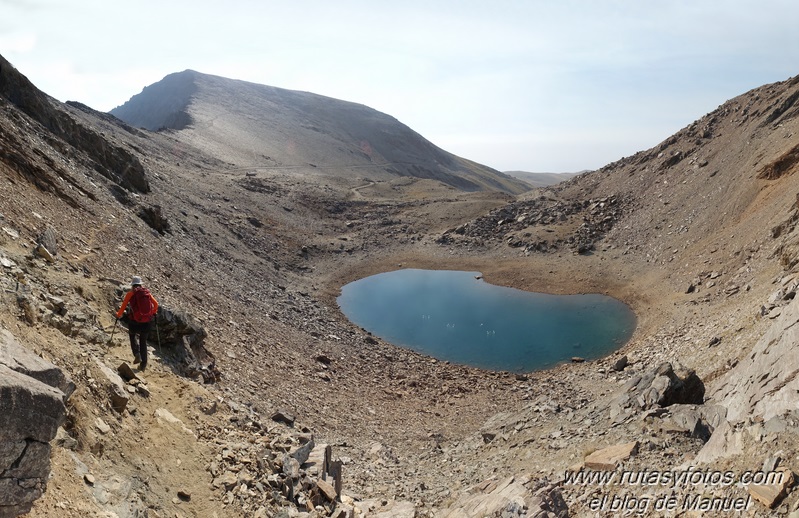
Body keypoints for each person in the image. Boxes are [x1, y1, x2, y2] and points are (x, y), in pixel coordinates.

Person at [115, 276, 159, 371]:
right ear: (140, 284)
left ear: (132, 285)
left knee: (132, 335)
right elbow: (156, 304)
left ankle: (136, 353)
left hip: (134, 321)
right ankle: (143, 365)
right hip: (147, 322)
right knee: (143, 341)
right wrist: (153, 313)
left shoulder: (130, 294)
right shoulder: (147, 293)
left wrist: (118, 314)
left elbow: (123, 307)